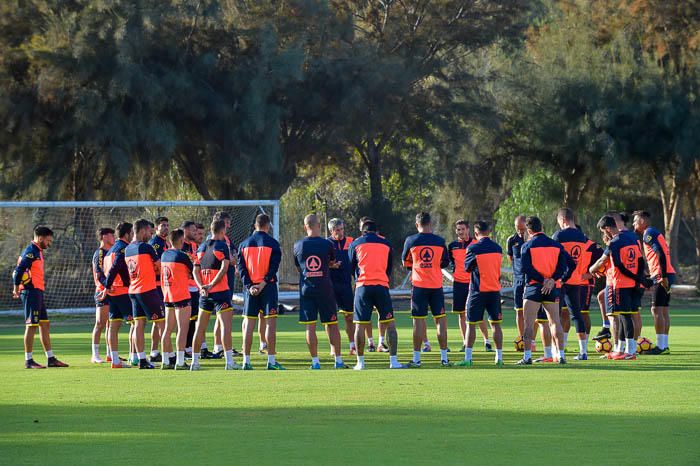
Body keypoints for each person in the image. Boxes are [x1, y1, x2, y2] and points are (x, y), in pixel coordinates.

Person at [348, 219, 406, 370]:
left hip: (363, 287)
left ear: (363, 231)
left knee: (360, 325)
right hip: (382, 286)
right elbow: (389, 268)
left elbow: (350, 266)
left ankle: (360, 363)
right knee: (390, 323)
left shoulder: (356, 243)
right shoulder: (386, 243)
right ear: (376, 231)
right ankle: (393, 362)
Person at [295, 214, 347, 369]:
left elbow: (299, 267)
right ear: (319, 225)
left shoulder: (298, 245)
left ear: (305, 227)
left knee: (310, 326)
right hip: (325, 288)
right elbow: (330, 262)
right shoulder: (327, 244)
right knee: (332, 324)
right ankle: (338, 361)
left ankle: (315, 362)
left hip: (307, 289)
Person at [589, 215, 645, 360]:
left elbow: (602, 260)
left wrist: (591, 270)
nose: (603, 234)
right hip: (632, 284)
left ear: (607, 228)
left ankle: (631, 351)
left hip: (619, 283)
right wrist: (638, 278)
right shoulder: (631, 238)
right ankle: (620, 349)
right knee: (622, 316)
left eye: (603, 231)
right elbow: (640, 260)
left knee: (625, 317)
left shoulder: (614, 242)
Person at [12, 226, 68, 369]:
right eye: (48, 240)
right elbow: (19, 270)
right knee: (31, 326)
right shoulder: (31, 251)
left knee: (44, 324)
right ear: (41, 238)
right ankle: (28, 361)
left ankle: (51, 358)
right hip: (31, 292)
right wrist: (16, 287)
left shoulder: (37, 251)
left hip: (37, 292)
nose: (49, 243)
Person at [517, 216, 569, 365]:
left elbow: (526, 268)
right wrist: (551, 280)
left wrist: (542, 280)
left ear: (529, 230)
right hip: (551, 288)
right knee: (555, 322)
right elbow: (562, 267)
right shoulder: (556, 246)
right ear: (542, 227)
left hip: (534, 287)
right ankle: (561, 355)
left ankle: (527, 357)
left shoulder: (527, 246)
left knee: (528, 323)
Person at [402, 212, 450, 367]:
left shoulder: (411, 240)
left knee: (418, 320)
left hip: (419, 285)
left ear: (417, 225)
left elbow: (405, 262)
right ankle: (444, 358)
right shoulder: (440, 241)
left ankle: (416, 359)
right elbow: (444, 262)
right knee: (440, 319)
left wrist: (418, 265)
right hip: (436, 286)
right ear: (430, 224)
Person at [237, 214, 284, 370]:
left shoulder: (243, 244)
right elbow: (273, 268)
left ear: (255, 225)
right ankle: (271, 361)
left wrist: (250, 286)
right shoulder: (273, 244)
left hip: (250, 289)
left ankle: (246, 361)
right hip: (268, 287)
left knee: (248, 324)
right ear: (268, 225)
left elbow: (241, 269)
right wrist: (262, 284)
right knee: (270, 324)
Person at [455, 221, 504, 367]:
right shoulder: (498, 248)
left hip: (478, 291)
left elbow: (467, 268)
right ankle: (499, 357)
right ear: (488, 231)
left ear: (475, 234)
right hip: (494, 291)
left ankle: (468, 358)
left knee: (470, 324)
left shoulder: (473, 247)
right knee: (496, 324)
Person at [191, 219, 237, 370]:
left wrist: (201, 286)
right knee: (225, 327)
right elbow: (224, 267)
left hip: (204, 294)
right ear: (223, 231)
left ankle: (195, 362)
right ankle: (229, 362)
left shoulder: (201, 247)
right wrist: (212, 284)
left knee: (200, 328)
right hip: (221, 292)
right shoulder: (222, 245)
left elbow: (195, 270)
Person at [553, 208, 596, 360]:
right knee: (576, 315)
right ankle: (583, 352)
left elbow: (554, 257)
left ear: (563, 220)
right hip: (577, 280)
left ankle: (556, 351)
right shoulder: (582, 237)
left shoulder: (559, 235)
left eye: (559, 222)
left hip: (561, 280)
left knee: (555, 316)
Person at [124, 219, 166, 369]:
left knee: (138, 325)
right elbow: (159, 267)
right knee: (162, 323)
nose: (150, 234)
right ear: (142, 231)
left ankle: (141, 359)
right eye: (149, 232)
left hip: (133, 291)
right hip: (147, 290)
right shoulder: (146, 247)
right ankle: (169, 358)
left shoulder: (128, 249)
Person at [633, 210, 674, 354]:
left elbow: (660, 254)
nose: (634, 224)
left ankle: (661, 347)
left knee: (656, 310)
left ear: (643, 222)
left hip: (662, 274)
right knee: (663, 310)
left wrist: (662, 276)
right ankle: (664, 345)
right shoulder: (654, 232)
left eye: (636, 221)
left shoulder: (648, 234)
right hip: (667, 272)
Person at [448, 219, 492, 352]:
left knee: (477, 314)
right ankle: (465, 342)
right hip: (459, 284)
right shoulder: (452, 246)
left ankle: (487, 341)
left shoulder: (476, 243)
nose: (460, 232)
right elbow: (450, 262)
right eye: (458, 229)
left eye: (463, 229)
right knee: (461, 313)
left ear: (468, 230)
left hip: (474, 283)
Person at [101, 222, 135, 368]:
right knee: (137, 322)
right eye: (132, 232)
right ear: (127, 234)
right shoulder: (123, 249)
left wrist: (107, 287)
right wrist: (108, 286)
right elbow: (115, 268)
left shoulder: (110, 250)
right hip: (122, 291)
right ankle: (135, 357)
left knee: (113, 326)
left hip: (113, 293)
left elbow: (105, 271)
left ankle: (115, 360)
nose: (133, 235)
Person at [160, 229, 194, 370]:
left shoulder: (164, 255)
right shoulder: (182, 256)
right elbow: (193, 272)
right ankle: (180, 362)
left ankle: (165, 360)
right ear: (181, 240)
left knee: (167, 329)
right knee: (182, 329)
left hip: (168, 295)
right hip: (181, 295)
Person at [327, 218, 357, 355]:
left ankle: (353, 345)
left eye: (342, 229)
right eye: (337, 230)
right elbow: (320, 264)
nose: (340, 232)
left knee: (349, 317)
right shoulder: (326, 243)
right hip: (330, 285)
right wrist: (331, 265)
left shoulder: (351, 242)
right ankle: (333, 347)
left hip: (346, 285)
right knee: (331, 318)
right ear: (331, 231)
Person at [147, 216, 170, 363]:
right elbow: (155, 265)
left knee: (159, 320)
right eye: (162, 225)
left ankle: (155, 352)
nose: (166, 227)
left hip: (163, 285)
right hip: (156, 286)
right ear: (156, 228)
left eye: (167, 225)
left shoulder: (164, 243)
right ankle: (162, 352)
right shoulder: (155, 244)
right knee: (160, 319)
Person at [90, 227, 115, 363]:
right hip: (102, 291)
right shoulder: (100, 253)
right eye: (112, 235)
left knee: (110, 324)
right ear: (104, 237)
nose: (114, 237)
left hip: (111, 290)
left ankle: (110, 353)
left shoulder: (110, 252)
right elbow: (99, 273)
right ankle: (95, 354)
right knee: (100, 323)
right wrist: (107, 286)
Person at [180, 221, 200, 359]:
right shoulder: (180, 246)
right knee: (184, 320)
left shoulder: (195, 246)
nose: (195, 232)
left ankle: (189, 347)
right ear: (185, 231)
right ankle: (184, 348)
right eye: (193, 230)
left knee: (194, 319)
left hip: (195, 287)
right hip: (184, 286)